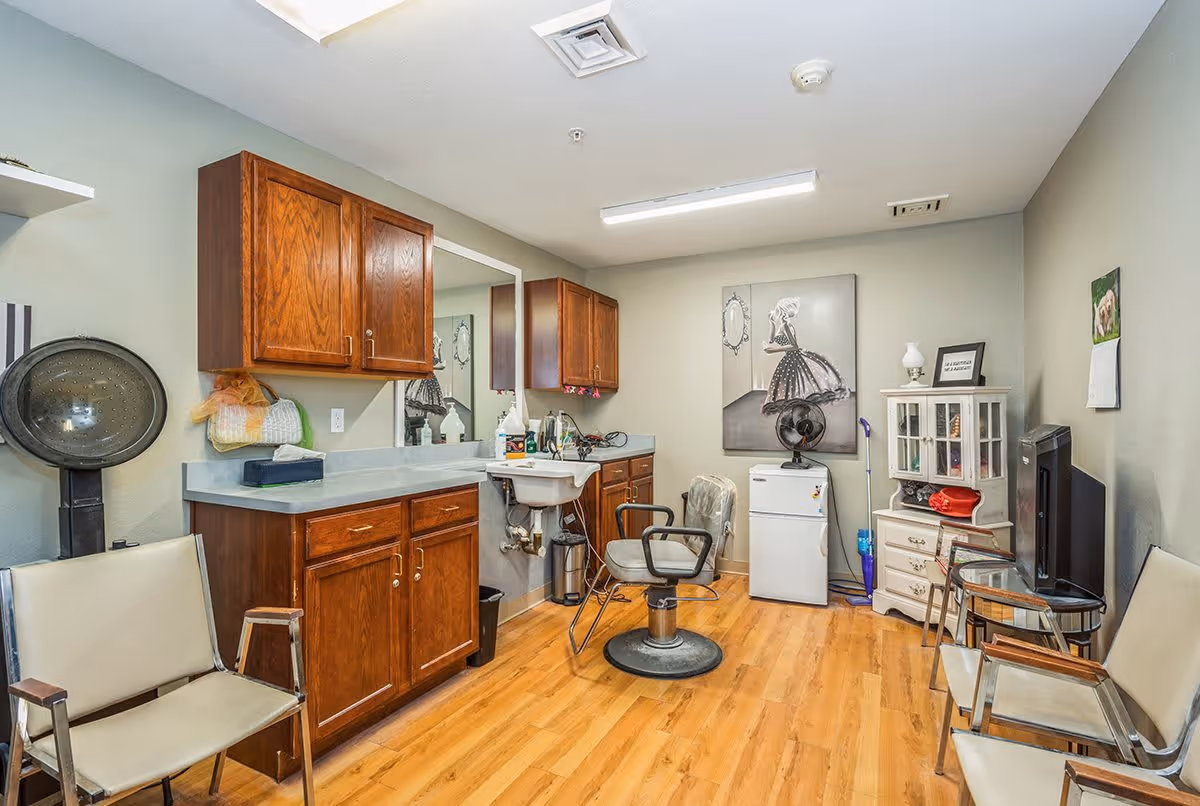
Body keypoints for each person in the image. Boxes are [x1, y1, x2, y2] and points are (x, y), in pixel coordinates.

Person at [761, 297, 850, 415]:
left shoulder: (786, 326)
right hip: (789, 357)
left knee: (797, 381)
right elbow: (771, 339)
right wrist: (771, 323)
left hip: (793, 356)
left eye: (778, 309)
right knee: (792, 382)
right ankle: (797, 409)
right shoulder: (782, 326)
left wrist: (772, 350)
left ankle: (800, 411)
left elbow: (794, 346)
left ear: (782, 310)